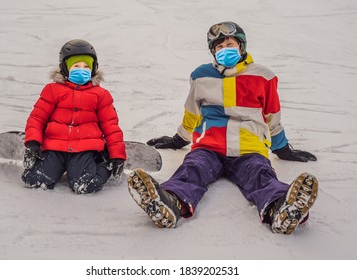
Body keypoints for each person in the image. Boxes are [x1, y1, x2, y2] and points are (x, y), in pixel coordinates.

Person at [127, 21, 318, 234]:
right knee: (192, 169)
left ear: (242, 47)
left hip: (248, 149)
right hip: (209, 147)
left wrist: (281, 147)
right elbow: (192, 113)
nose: (225, 49)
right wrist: (179, 139)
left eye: (230, 44)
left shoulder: (263, 76)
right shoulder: (201, 76)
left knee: (260, 174)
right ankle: (170, 203)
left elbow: (272, 115)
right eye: (219, 47)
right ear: (213, 51)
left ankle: (281, 208)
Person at [22, 39, 127, 194]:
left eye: (86, 66)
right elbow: (37, 118)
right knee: (35, 179)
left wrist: (116, 154)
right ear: (65, 68)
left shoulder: (101, 95)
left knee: (84, 186)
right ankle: (45, 164)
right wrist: (32, 142)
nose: (81, 70)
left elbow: (110, 126)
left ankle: (103, 163)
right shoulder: (53, 90)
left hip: (84, 148)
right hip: (55, 146)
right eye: (76, 66)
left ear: (93, 69)